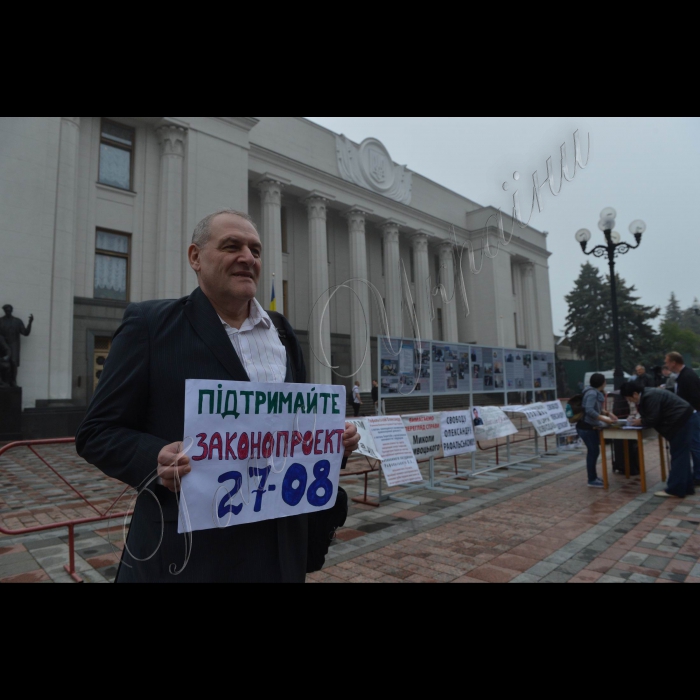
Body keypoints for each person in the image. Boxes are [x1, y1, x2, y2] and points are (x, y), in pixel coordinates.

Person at [76, 209, 361, 583]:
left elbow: (290, 432)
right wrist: (154, 459)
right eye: (232, 246)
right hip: (189, 557)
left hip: (277, 553)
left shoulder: (284, 334)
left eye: (255, 251)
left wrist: (329, 442)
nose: (247, 258)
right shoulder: (149, 325)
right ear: (195, 257)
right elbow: (97, 432)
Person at [622, 381, 696, 499]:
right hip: (683, 419)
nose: (629, 401)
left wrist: (640, 421)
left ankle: (675, 489)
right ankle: (686, 487)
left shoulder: (649, 396)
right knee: (682, 455)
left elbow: (653, 418)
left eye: (628, 398)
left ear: (635, 394)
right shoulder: (648, 394)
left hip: (680, 421)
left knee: (678, 456)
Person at [577, 373, 618, 488]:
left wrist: (608, 413)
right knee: (593, 452)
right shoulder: (592, 393)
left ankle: (593, 477)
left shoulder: (594, 393)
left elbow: (597, 409)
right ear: (602, 382)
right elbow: (589, 410)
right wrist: (604, 419)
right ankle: (591, 479)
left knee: (594, 452)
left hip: (590, 426)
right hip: (586, 427)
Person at [665, 352, 700, 487]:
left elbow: (695, 397)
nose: (666, 365)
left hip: (692, 414)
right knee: (694, 445)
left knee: (695, 445)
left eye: (667, 362)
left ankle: (698, 475)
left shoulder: (687, 376)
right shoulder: (683, 375)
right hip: (690, 414)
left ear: (674, 363)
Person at [0, 305, 33, 388]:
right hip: (3, 345)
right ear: (4, 311)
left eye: (9, 310)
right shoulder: (0, 321)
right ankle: (4, 382)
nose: (8, 312)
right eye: (7, 310)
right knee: (4, 364)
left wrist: (30, 323)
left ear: (12, 311)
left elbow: (25, 333)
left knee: (14, 362)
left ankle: (13, 382)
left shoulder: (17, 321)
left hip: (14, 344)